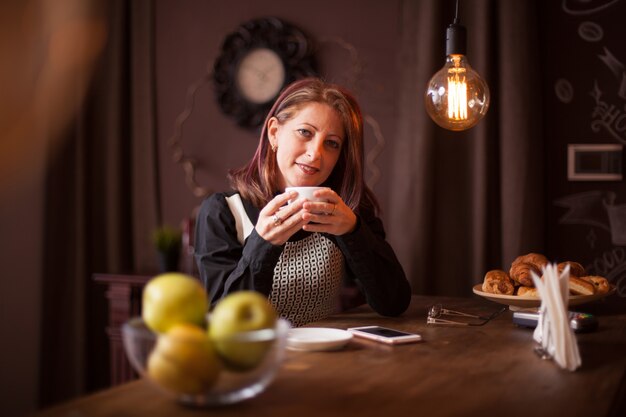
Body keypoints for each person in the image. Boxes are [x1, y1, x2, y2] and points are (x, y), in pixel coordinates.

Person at [194, 77, 411, 326]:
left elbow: (394, 303)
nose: (315, 153)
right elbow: (225, 322)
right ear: (274, 133)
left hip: (327, 357)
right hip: (256, 360)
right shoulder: (223, 212)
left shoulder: (346, 210)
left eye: (331, 143)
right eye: (305, 132)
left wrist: (353, 232)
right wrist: (262, 244)